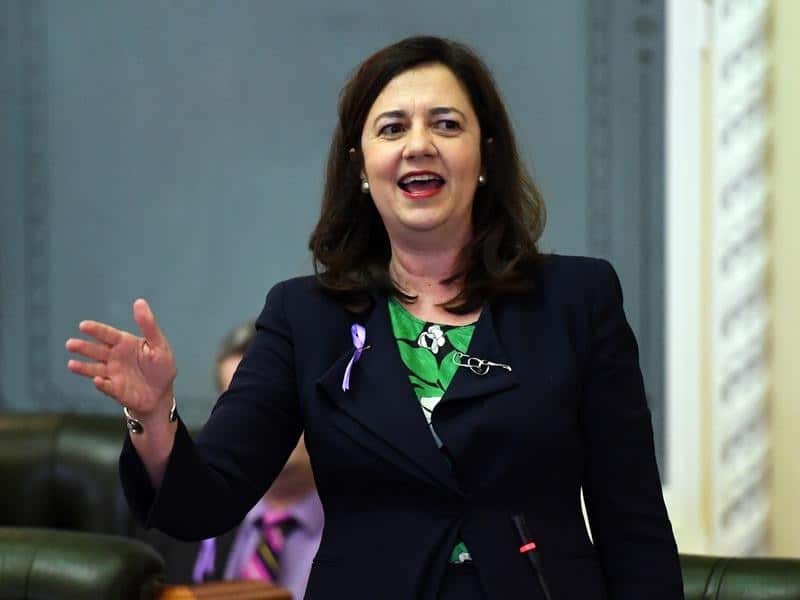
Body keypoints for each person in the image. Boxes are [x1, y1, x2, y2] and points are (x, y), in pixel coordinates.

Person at [66, 36, 685, 599]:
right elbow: (200, 505)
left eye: (446, 124)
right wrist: (152, 414)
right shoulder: (305, 316)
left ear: (485, 155)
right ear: (362, 166)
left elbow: (632, 524)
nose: (420, 144)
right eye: (392, 128)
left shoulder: (577, 298)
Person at [191, 321, 322, 599]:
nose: (260, 422)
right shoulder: (189, 517)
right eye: (241, 406)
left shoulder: (378, 533)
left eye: (278, 399)